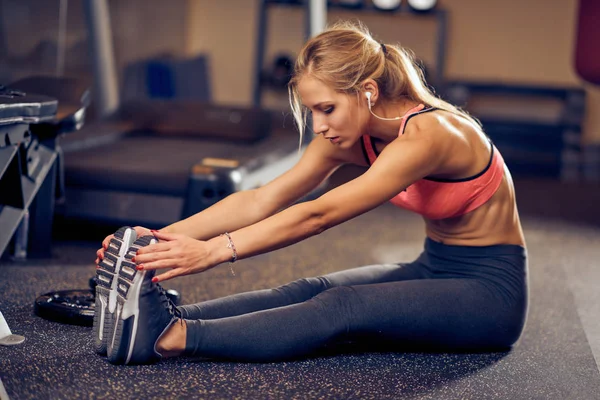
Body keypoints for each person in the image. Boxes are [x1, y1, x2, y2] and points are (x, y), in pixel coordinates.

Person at [94, 20, 528, 365]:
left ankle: (172, 339)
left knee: (342, 306)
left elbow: (318, 215)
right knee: (305, 289)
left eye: (327, 108)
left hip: (488, 293)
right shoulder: (351, 131)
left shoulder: (430, 135)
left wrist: (211, 252)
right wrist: (155, 240)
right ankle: (159, 318)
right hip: (431, 267)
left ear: (368, 92)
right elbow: (262, 198)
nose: (319, 124)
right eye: (312, 110)